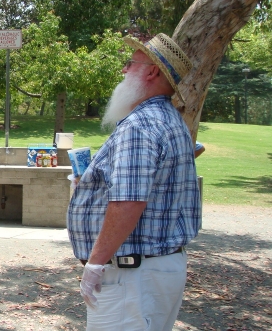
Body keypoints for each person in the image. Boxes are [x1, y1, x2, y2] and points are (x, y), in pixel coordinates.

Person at [67, 33, 201, 330]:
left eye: (130, 63)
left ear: (152, 71)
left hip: (133, 275)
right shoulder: (169, 118)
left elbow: (129, 200)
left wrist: (95, 263)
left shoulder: (140, 125)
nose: (124, 70)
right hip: (154, 270)